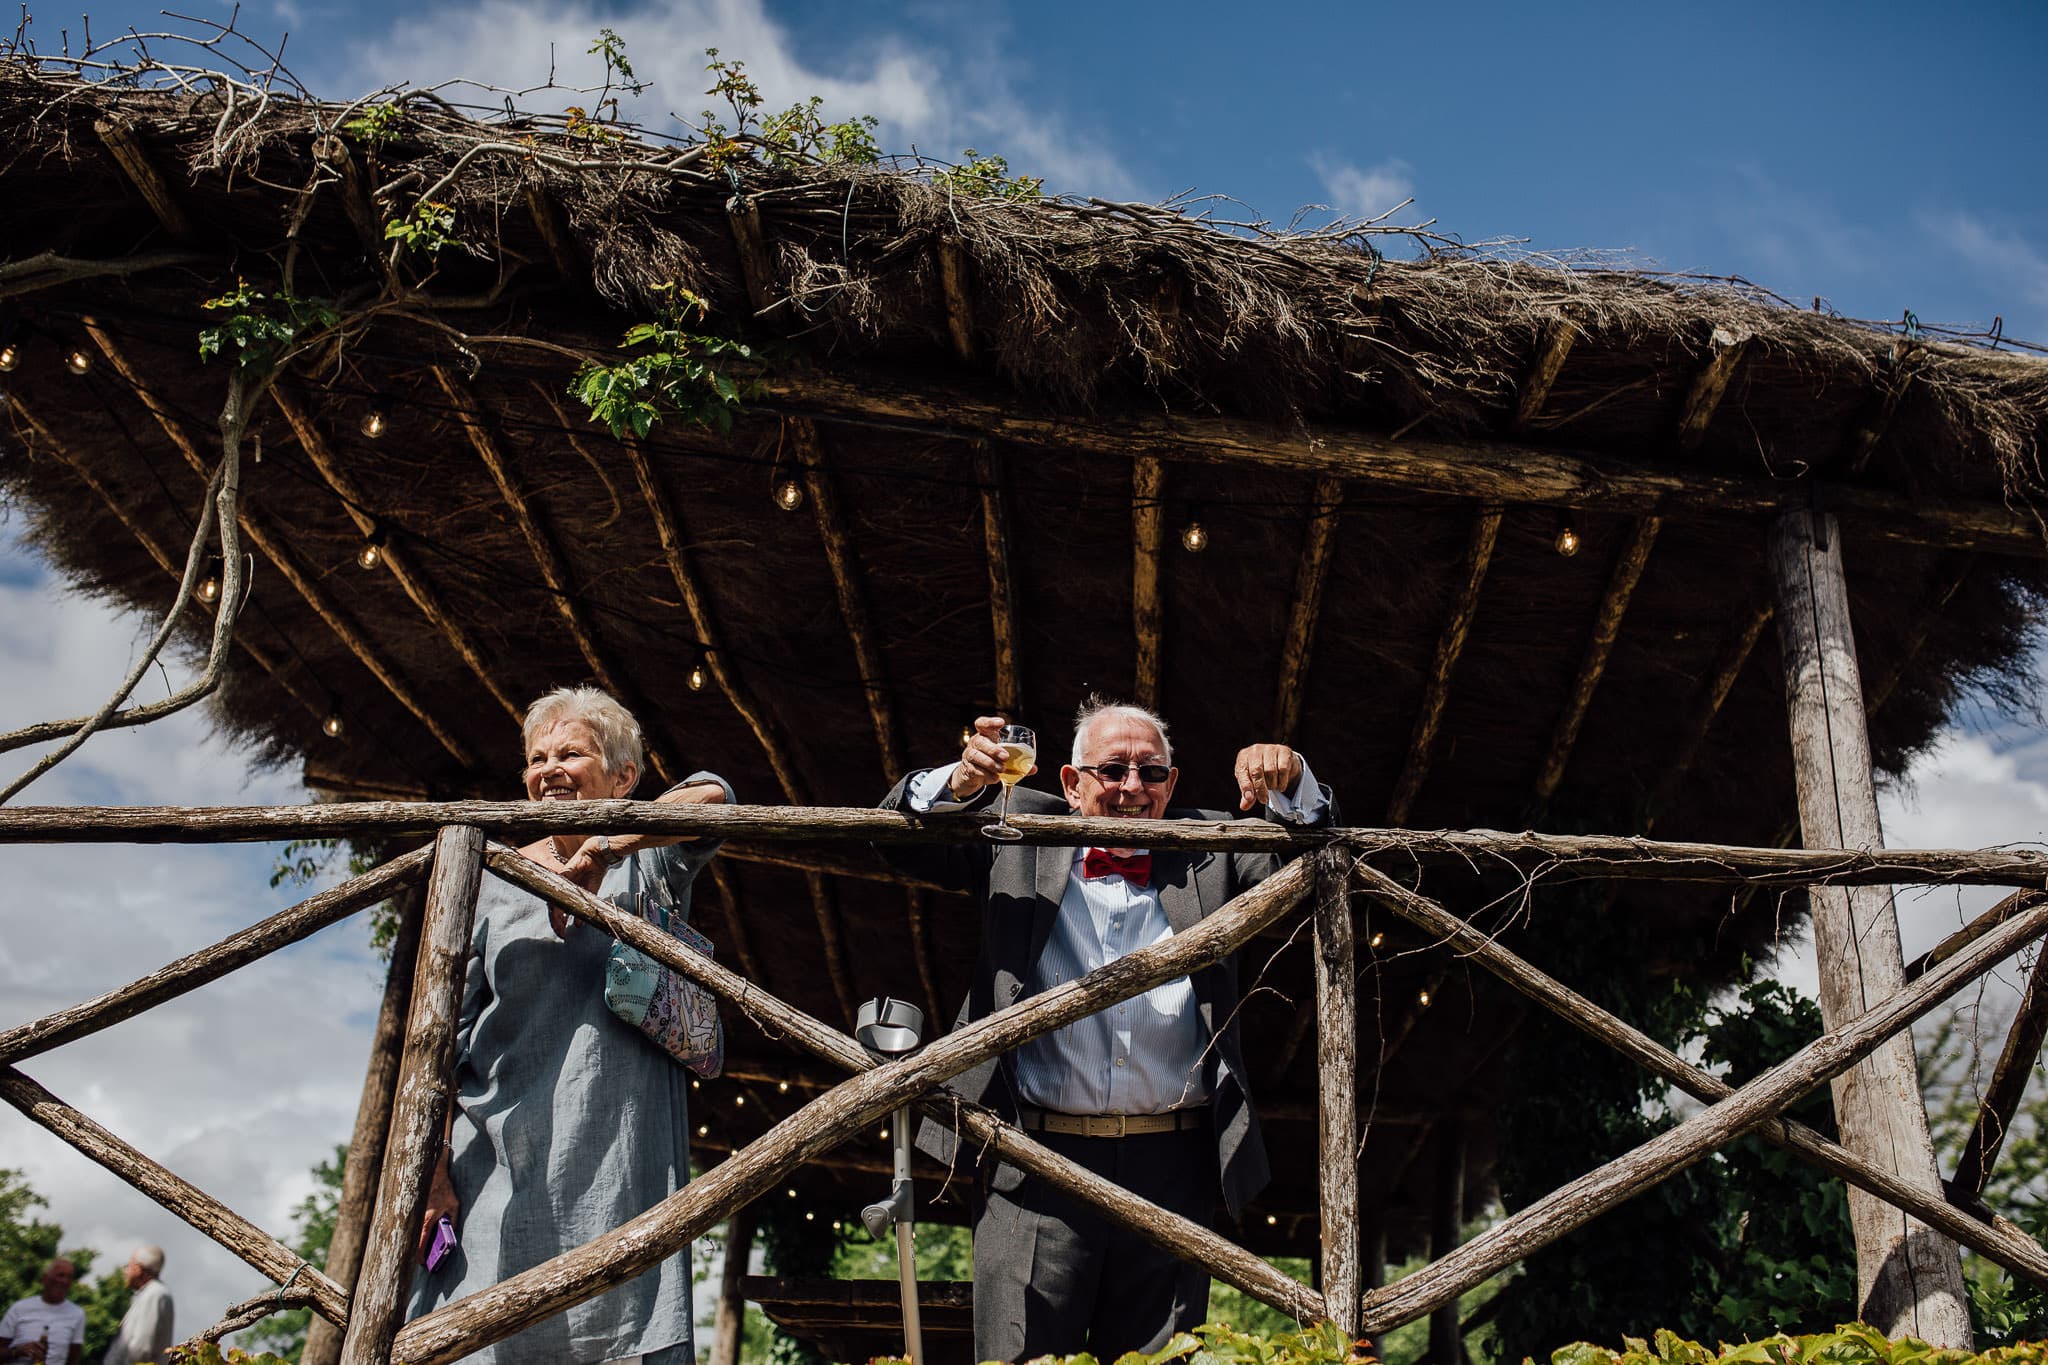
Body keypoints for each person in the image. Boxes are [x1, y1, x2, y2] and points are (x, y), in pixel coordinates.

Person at [880, 697, 1337, 1363]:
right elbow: (891, 834)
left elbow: (1322, 865)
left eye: (1152, 774)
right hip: (1032, 1162)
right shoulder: (1014, 826)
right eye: (1113, 769)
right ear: (1070, 783)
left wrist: (1294, 784)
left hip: (1175, 1168)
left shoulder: (1213, 845)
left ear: (1172, 787)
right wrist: (961, 780)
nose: (1132, 788)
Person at [409, 685, 732, 1365]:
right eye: (536, 757)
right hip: (495, 1163)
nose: (547, 768)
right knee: (475, 1330)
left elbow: (713, 798)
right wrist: (432, 1168)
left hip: (620, 1166)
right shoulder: (490, 874)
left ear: (624, 775)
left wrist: (603, 850)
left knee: (617, 1323)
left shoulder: (651, 859)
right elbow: (440, 1043)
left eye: (570, 752)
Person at [0, 1260, 85, 1365]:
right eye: (60, 1275)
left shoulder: (77, 1314)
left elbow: (73, 1359)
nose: (64, 1281)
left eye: (69, 1277)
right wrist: (17, 1351)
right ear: (45, 1279)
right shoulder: (20, 1308)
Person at [100, 1246, 173, 1365]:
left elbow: (141, 1348)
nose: (125, 1271)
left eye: (129, 1265)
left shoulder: (155, 1294)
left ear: (139, 1269)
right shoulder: (147, 1294)